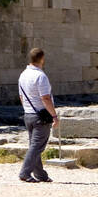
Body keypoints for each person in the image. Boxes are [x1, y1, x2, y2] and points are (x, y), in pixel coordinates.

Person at [17, 47, 58, 184]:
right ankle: (24, 173)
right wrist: (54, 116)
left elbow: (21, 96)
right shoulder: (41, 76)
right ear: (42, 59)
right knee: (37, 146)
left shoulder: (23, 74)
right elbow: (45, 98)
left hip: (28, 114)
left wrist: (27, 109)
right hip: (40, 116)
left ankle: (41, 175)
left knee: (34, 146)